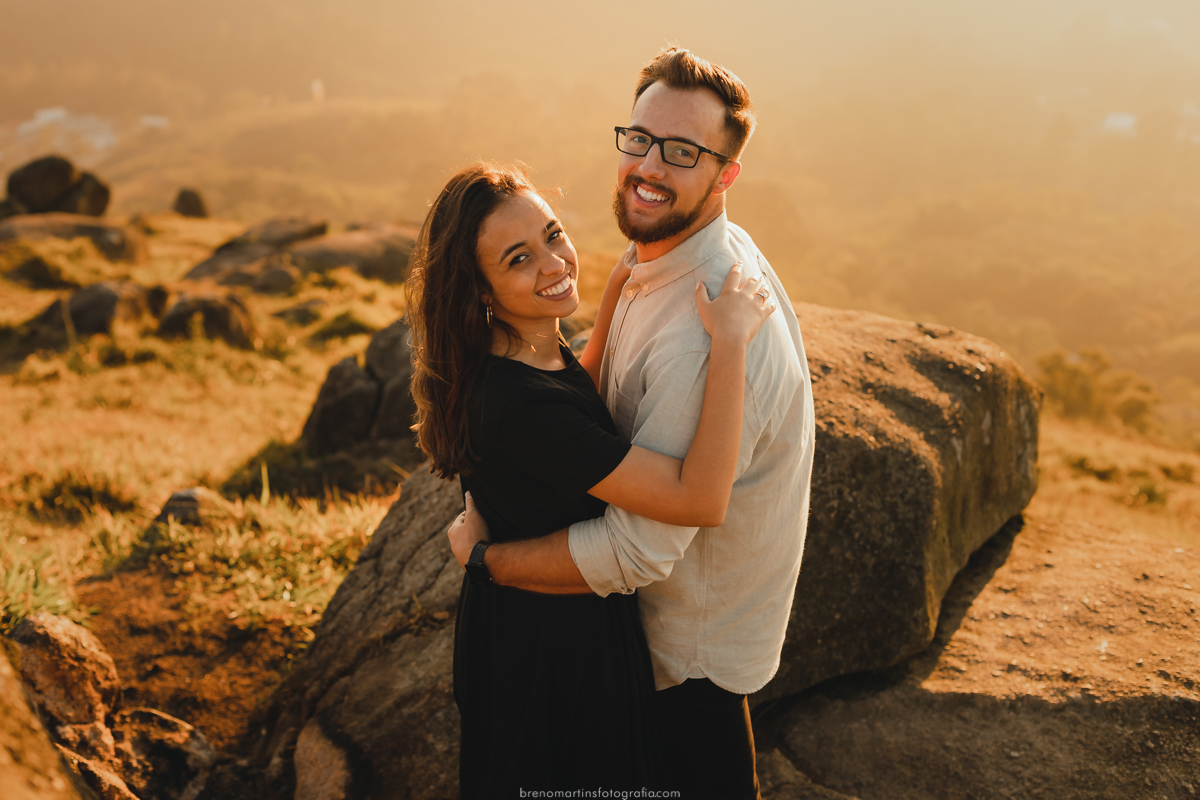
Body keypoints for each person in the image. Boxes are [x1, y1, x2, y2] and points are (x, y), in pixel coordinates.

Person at [448, 48, 816, 800]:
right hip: (623, 651)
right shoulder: (676, 254)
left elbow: (642, 547)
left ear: (724, 174)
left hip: (677, 669)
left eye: (682, 152)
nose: (649, 165)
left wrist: (489, 561)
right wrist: (616, 287)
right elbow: (579, 407)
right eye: (640, 139)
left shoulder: (700, 332)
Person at [406, 162, 777, 798]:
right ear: (480, 291)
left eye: (553, 234)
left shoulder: (520, 348)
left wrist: (609, 296)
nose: (553, 263)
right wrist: (731, 343)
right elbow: (699, 497)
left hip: (540, 627)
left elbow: (575, 385)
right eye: (519, 259)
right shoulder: (520, 407)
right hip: (550, 657)